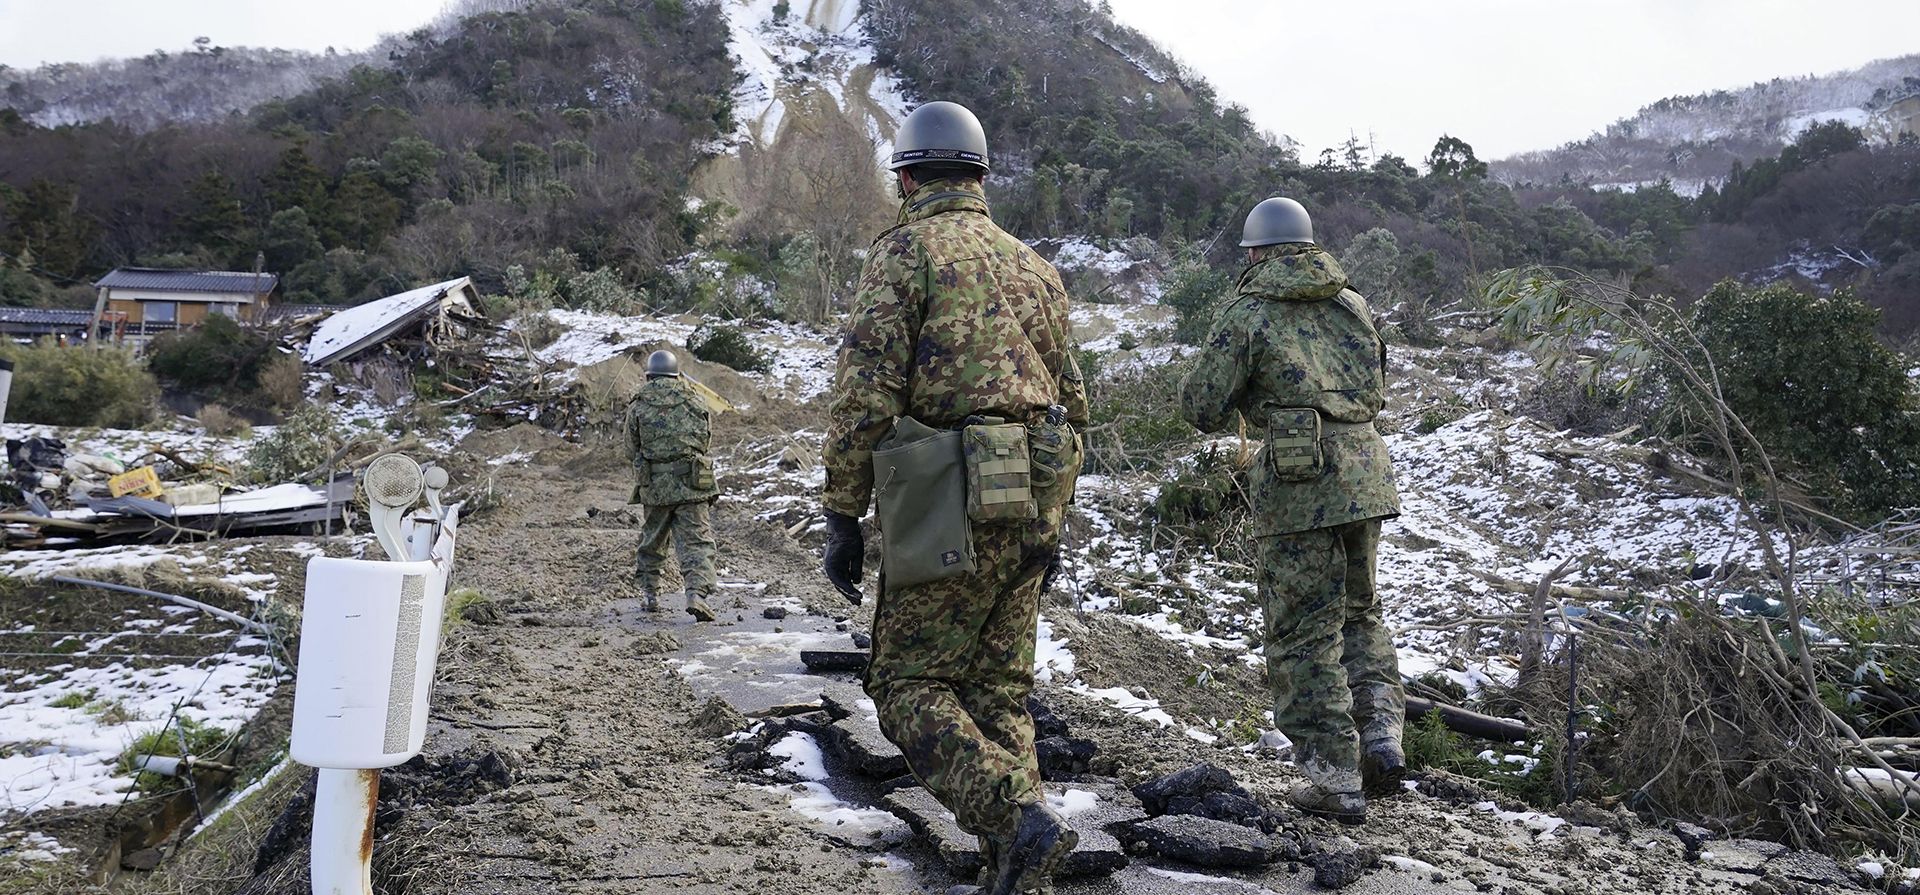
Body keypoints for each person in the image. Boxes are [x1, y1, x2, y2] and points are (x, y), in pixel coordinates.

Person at [818, 100, 1089, 895]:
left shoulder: (904, 256)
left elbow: (866, 393)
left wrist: (842, 512)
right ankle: (1018, 867)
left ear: (905, 178)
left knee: (905, 685)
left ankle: (1016, 821)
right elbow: (1073, 398)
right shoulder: (1036, 267)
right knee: (999, 687)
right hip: (1035, 491)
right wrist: (1053, 518)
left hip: (947, 498)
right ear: (979, 175)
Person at [1179, 197, 1406, 825]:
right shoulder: (1353, 304)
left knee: (1302, 630)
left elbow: (1201, 406)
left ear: (1254, 253)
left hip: (1300, 480)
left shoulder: (1248, 313)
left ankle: (1335, 778)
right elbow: (1375, 389)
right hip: (1366, 475)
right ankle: (1381, 737)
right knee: (1359, 612)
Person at [627, 349, 718, 622]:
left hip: (655, 486)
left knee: (652, 540)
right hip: (692, 483)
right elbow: (705, 441)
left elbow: (630, 447)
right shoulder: (695, 399)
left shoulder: (638, 404)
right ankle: (696, 595)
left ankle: (650, 595)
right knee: (697, 541)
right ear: (676, 374)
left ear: (649, 375)